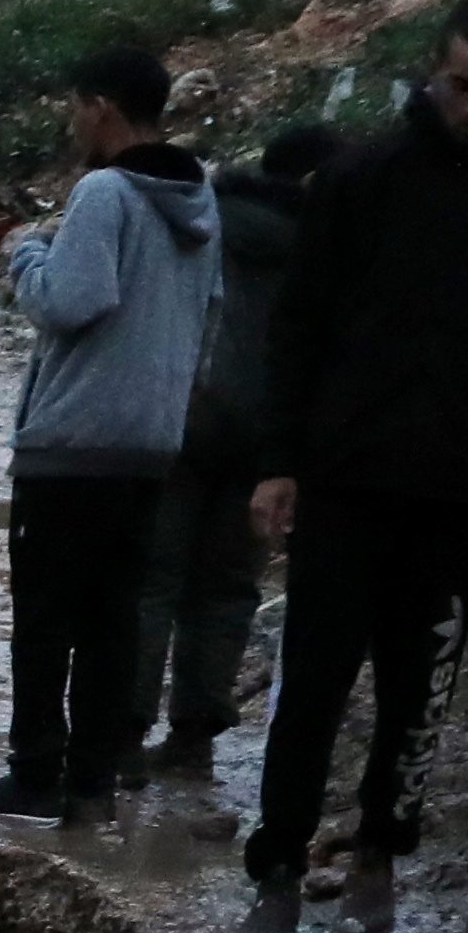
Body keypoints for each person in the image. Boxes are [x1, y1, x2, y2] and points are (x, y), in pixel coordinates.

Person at [246, 0, 468, 933]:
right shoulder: (363, 181)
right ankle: (276, 870)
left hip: (460, 486)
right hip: (346, 477)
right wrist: (279, 461)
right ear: (432, 72)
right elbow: (300, 328)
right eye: (463, 85)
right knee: (312, 685)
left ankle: (378, 857)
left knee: (420, 691)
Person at [0, 44, 222, 823]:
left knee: (46, 617)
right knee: (114, 619)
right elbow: (210, 318)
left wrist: (23, 252)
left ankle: (36, 772)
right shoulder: (202, 195)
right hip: (150, 441)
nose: (73, 121)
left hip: (74, 443)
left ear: (102, 107)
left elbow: (71, 301)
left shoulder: (104, 191)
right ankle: (94, 780)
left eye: (76, 106)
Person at [138, 120, 327, 791]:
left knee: (151, 580)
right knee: (226, 588)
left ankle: (123, 737)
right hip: (267, 444)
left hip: (183, 416)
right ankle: (192, 741)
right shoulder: (332, 247)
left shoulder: (204, 222)